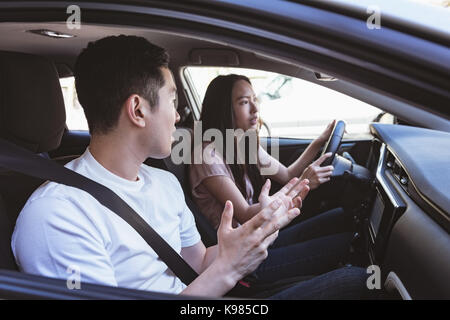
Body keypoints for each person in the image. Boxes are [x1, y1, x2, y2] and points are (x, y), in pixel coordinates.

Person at [11, 35, 370, 299]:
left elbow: (198, 261)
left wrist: (260, 227)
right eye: (173, 101)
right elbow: (216, 272)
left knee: (354, 279)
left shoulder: (163, 182)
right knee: (355, 282)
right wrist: (229, 269)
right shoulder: (56, 213)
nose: (180, 116)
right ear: (138, 110)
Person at [189, 74, 357, 282]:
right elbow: (246, 215)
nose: (255, 109)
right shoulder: (207, 157)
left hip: (263, 236)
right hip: (245, 260)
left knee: (342, 217)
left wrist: (320, 142)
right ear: (224, 109)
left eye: (254, 100)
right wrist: (303, 184)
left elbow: (288, 174)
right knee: (347, 246)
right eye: (244, 102)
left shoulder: (243, 143)